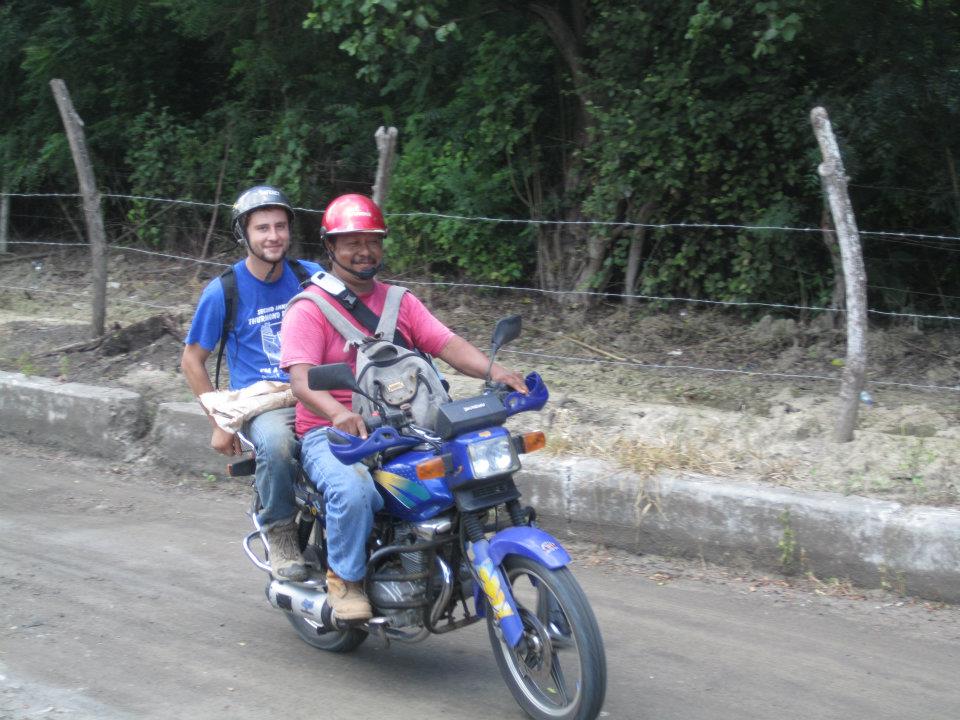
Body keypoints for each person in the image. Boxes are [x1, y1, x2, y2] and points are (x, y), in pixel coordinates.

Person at [280, 193, 527, 621]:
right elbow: (301, 380)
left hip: (408, 425)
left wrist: (495, 370)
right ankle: (346, 578)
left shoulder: (399, 301)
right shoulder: (309, 308)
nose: (364, 250)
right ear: (330, 247)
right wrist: (338, 413)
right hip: (334, 433)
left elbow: (446, 344)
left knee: (474, 465)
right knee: (354, 490)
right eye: (351, 241)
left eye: (372, 240)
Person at [181, 185, 323, 581]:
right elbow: (192, 360)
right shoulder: (223, 290)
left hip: (317, 389)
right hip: (264, 401)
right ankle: (279, 531)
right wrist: (218, 422)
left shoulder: (310, 276)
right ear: (244, 234)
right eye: (262, 228)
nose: (273, 236)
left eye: (280, 226)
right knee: (278, 446)